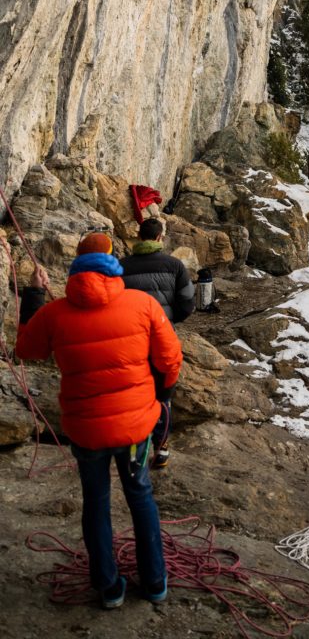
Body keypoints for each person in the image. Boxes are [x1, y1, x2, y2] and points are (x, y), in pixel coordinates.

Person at [15, 232, 183, 609]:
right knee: (140, 495)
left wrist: (35, 295)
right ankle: (155, 581)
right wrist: (163, 396)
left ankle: (108, 588)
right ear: (113, 265)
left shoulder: (55, 313)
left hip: (86, 430)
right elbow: (171, 359)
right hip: (136, 428)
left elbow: (26, 349)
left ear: (76, 268)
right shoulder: (142, 304)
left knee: (95, 501)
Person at [120, 218, 194, 469]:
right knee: (163, 392)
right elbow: (187, 302)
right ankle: (161, 448)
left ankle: (134, 447)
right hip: (163, 337)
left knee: (134, 392)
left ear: (139, 236)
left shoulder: (122, 266)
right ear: (160, 237)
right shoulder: (174, 265)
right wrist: (170, 319)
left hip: (131, 339)